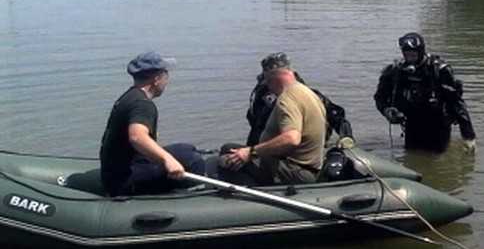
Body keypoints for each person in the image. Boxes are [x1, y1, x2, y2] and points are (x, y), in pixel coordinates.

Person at [99, 51, 205, 197]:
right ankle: (188, 201)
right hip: (124, 180)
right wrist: (168, 160)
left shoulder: (129, 96)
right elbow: (137, 137)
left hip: (118, 170)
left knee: (187, 149)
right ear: (157, 79)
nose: (167, 80)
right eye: (166, 74)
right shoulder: (143, 104)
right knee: (193, 161)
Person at [220, 53, 327, 185]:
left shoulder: (287, 99)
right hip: (306, 167)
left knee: (227, 157)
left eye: (267, 82)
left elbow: (292, 138)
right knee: (230, 148)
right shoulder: (307, 92)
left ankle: (246, 197)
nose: (268, 87)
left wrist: (252, 152)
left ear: (271, 78)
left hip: (296, 171)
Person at [374, 32, 476, 153]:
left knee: (437, 160)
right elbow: (380, 97)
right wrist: (387, 111)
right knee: (412, 156)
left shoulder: (439, 70)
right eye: (407, 54)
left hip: (438, 123)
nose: (410, 58)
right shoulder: (395, 71)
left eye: (413, 54)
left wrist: (468, 136)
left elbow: (457, 103)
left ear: (421, 51)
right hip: (412, 122)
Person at [246, 68, 352, 147]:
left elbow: (338, 117)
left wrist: (346, 136)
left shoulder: (313, 97)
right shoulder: (266, 101)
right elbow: (256, 128)